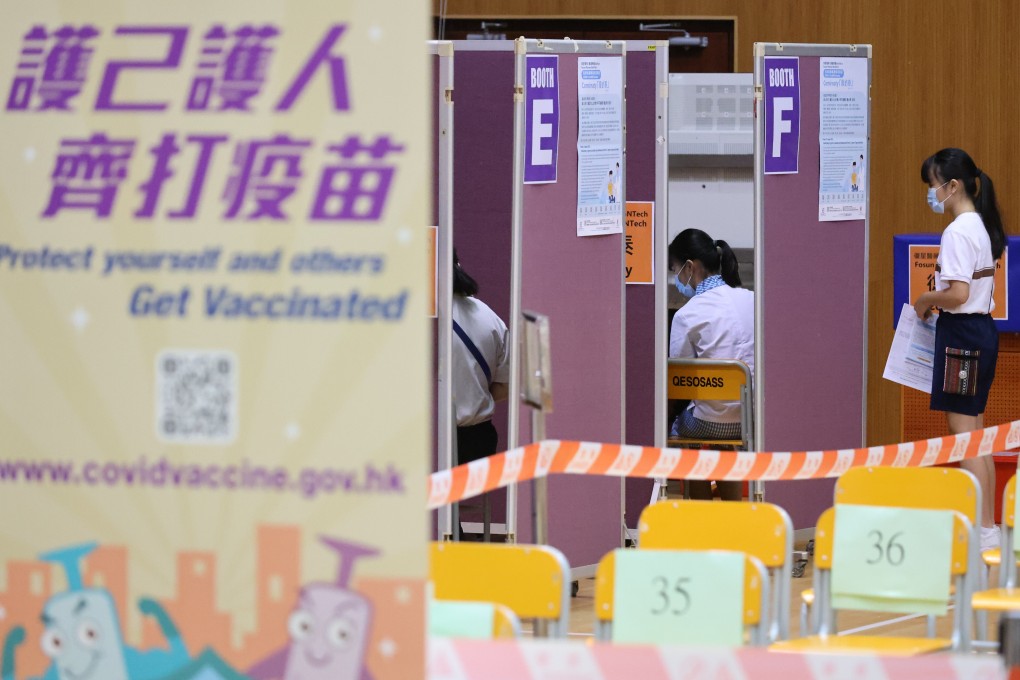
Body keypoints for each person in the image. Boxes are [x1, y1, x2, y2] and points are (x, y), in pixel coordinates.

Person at [913, 148, 1006, 551]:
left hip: (963, 336)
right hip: (980, 333)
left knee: (964, 435)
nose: (931, 195)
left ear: (952, 186)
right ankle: (988, 527)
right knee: (977, 434)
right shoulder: (979, 226)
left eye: (933, 187)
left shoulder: (957, 232)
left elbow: (959, 293)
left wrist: (925, 300)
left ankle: (981, 532)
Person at [668, 228, 754, 501]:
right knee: (721, 439)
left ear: (690, 267)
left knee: (684, 431)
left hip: (710, 423)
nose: (677, 279)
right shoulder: (752, 300)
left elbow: (677, 381)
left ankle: (700, 515)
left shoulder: (687, 314)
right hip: (752, 420)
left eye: (675, 270)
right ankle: (732, 511)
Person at [451, 249, 510, 464]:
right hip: (477, 445)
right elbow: (504, 388)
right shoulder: (489, 316)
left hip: (423, 442)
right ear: (458, 266)